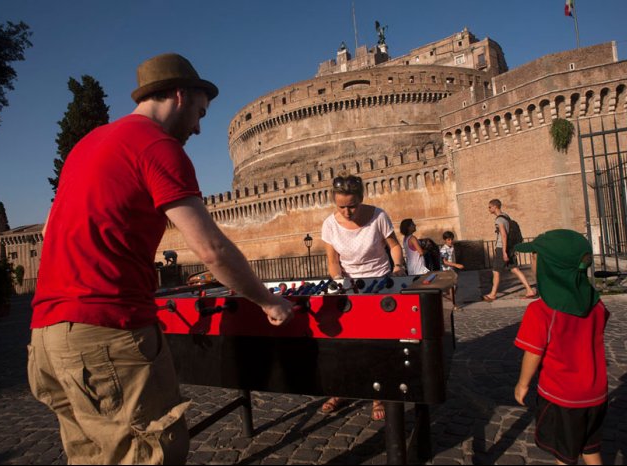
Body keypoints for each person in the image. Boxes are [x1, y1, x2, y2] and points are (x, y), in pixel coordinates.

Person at [28, 53, 294, 464]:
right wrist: (268, 301)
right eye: (200, 113)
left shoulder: (85, 145)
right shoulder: (158, 146)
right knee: (149, 453)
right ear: (179, 95)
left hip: (47, 338)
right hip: (106, 333)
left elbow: (48, 232)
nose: (200, 128)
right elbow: (211, 250)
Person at [513, 229, 609, 465]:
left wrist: (522, 384)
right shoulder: (596, 305)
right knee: (590, 448)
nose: (532, 262)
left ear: (549, 266)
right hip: (596, 393)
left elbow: (533, 352)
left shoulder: (540, 311)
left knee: (564, 457)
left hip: (562, 397)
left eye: (534, 257)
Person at [320, 174, 407, 421]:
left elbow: (394, 246)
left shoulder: (378, 216)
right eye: (341, 207)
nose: (347, 212)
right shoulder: (329, 224)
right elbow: (333, 261)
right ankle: (341, 391)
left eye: (352, 206)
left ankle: (378, 395)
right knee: (342, 345)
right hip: (349, 289)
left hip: (378, 285)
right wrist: (339, 282)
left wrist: (398, 266)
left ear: (361, 198)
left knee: (376, 345)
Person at [483, 199, 536, 301]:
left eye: (490, 207)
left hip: (502, 248)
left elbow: (503, 235)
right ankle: (529, 290)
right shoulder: (506, 216)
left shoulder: (499, 219)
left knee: (496, 271)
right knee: (514, 269)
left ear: (495, 207)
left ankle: (492, 294)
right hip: (510, 247)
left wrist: (503, 252)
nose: (489, 209)